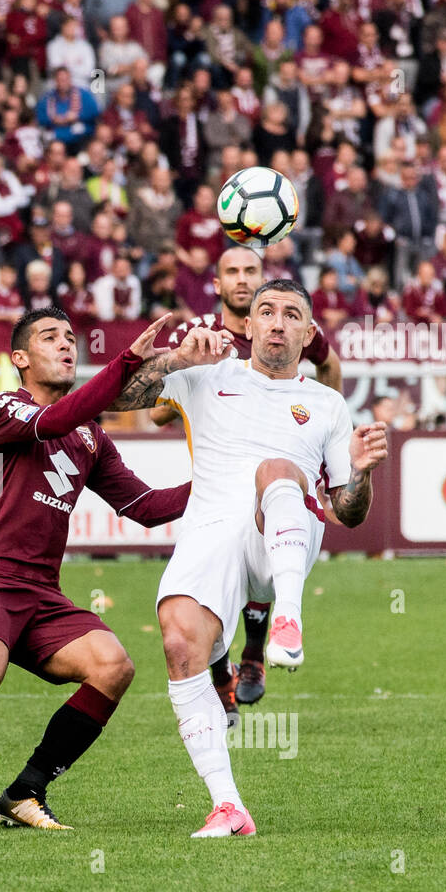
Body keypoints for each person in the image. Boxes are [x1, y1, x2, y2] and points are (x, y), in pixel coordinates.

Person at [0, 309, 195, 835]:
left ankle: (26, 792)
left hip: (42, 594)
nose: (66, 345)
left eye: (71, 338)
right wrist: (126, 364)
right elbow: (52, 421)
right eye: (50, 338)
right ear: (20, 359)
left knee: (114, 666)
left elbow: (144, 504)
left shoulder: (90, 438)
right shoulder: (3, 408)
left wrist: (218, 485)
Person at [107, 279, 389, 838]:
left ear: (309, 333)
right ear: (250, 325)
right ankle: (228, 807)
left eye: (291, 314)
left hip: (284, 530)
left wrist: (358, 473)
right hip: (211, 531)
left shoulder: (328, 404)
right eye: (266, 312)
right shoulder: (209, 375)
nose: (277, 322)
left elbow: (348, 513)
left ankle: (287, 617)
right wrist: (175, 358)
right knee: (179, 640)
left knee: (276, 471)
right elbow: (115, 399)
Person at [150, 244, 343, 708]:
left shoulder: (291, 325)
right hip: (215, 476)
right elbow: (157, 411)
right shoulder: (202, 337)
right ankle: (222, 671)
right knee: (208, 588)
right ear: (216, 285)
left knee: (269, 528)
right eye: (232, 271)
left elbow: (330, 369)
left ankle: (254, 653)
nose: (241, 278)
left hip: (276, 477)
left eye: (250, 271)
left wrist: (321, 429)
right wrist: (190, 369)